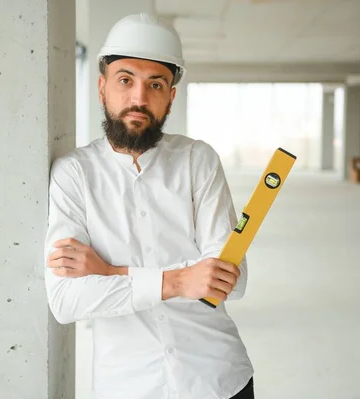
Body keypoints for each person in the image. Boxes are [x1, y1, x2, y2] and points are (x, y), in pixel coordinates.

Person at [44, 12, 254, 399]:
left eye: (155, 84)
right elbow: (66, 300)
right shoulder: (74, 174)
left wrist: (109, 271)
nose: (138, 98)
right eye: (125, 80)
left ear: (171, 96)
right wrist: (176, 281)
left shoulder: (197, 160)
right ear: (102, 87)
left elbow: (231, 281)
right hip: (128, 386)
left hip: (218, 380)